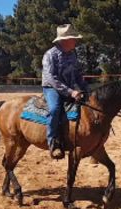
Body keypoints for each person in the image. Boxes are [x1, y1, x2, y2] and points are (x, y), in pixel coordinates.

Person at [42, 24, 91, 159]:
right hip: (52, 88)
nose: (75, 41)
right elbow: (51, 78)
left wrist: (86, 88)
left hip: (69, 88)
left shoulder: (72, 54)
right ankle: (53, 143)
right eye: (73, 38)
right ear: (64, 40)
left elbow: (77, 74)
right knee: (55, 109)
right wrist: (71, 92)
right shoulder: (50, 55)